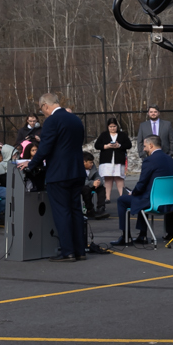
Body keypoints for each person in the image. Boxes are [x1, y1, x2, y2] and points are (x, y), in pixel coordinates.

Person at [23, 92, 102, 260]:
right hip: (76, 172)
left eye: (41, 109)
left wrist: (30, 164)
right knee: (76, 211)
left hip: (59, 173)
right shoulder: (75, 119)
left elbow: (45, 147)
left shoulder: (52, 121)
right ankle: (80, 250)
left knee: (62, 212)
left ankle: (68, 251)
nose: (42, 113)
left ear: (45, 105)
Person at [114, 135, 173, 246]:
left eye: (145, 146)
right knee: (142, 196)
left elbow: (142, 183)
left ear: (151, 145)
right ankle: (142, 235)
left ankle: (125, 236)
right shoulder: (170, 160)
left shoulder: (149, 160)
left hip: (153, 201)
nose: (144, 149)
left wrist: (133, 192)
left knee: (122, 200)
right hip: (169, 201)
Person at [94, 119, 130, 211]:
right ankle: (107, 197)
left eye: (114, 126)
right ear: (108, 127)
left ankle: (122, 196)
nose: (113, 128)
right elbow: (97, 145)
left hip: (119, 159)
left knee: (119, 178)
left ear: (117, 126)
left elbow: (129, 145)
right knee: (108, 178)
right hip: (107, 160)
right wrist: (106, 146)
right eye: (111, 126)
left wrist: (119, 146)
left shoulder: (122, 135)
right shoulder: (104, 135)